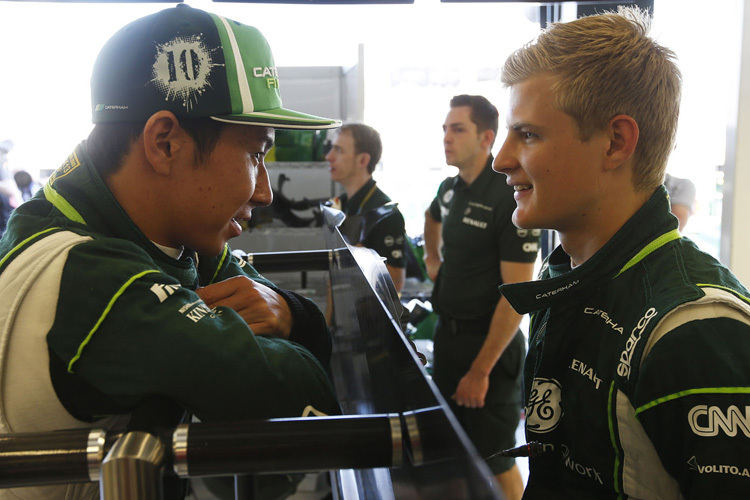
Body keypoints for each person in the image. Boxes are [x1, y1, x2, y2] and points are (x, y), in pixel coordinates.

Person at [0, 5, 342, 499]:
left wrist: (290, 314)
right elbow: (304, 403)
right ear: (164, 143)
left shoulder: (151, 229)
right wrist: (297, 333)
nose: (264, 191)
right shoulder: (89, 277)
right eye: (256, 154)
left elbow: (270, 308)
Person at [494, 7, 750, 499]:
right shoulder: (568, 277)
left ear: (616, 143)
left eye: (527, 134)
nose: (501, 160)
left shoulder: (694, 327)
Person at [423, 94, 541, 500]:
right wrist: (432, 259)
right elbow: (431, 217)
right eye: (445, 129)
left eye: (458, 129)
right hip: (449, 338)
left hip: (488, 348)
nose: (446, 138)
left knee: (496, 460)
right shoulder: (450, 188)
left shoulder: (508, 193)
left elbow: (517, 296)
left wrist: (480, 370)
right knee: (456, 452)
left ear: (487, 137)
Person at [326, 123, 407, 292]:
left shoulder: (386, 213)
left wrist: (360, 256)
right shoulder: (339, 205)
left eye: (339, 150)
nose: (329, 156)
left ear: (362, 160)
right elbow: (333, 275)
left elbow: (397, 282)